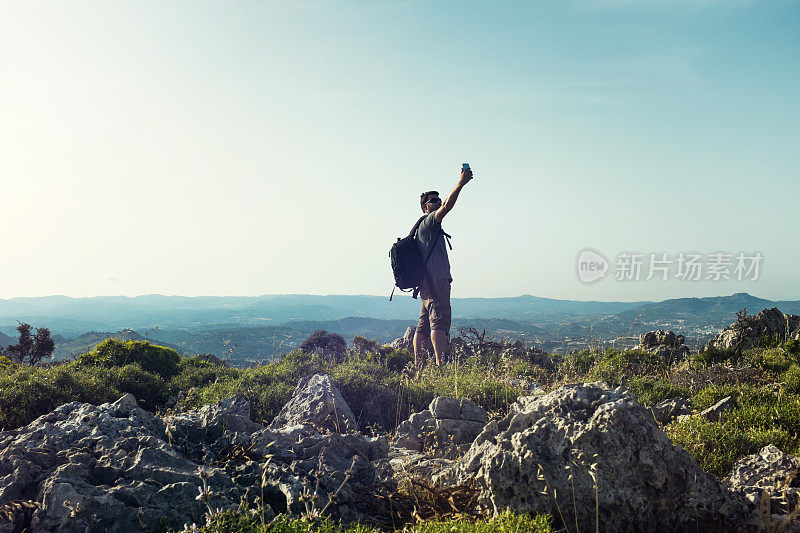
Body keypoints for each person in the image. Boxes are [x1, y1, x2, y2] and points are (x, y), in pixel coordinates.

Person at [413, 166, 473, 368]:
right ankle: (440, 366)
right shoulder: (430, 222)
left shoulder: (423, 226)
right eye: (433, 200)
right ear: (424, 207)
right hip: (436, 281)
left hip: (427, 283)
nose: (437, 201)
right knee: (439, 322)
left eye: (438, 198)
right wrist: (461, 183)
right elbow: (447, 206)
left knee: (422, 327)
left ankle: (418, 368)